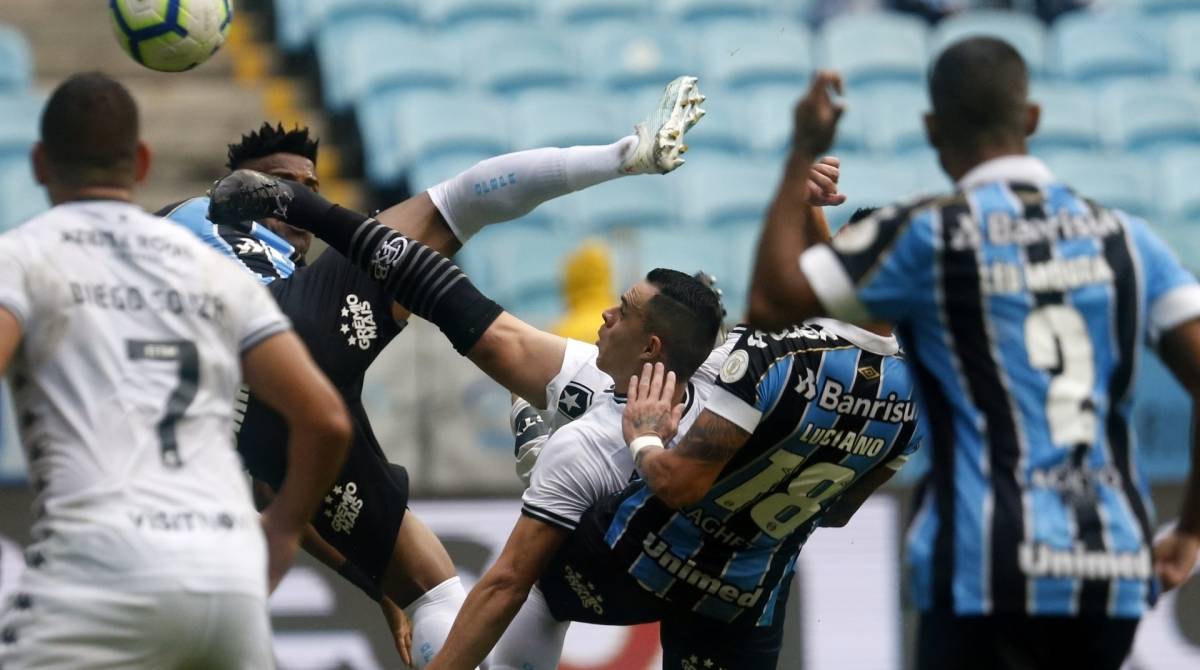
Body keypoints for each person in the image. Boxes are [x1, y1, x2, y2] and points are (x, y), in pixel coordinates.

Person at [191, 76, 709, 666]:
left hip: (237, 415)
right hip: (666, 574)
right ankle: (625, 158)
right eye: (282, 185)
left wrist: (381, 584)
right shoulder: (717, 400)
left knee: (454, 587)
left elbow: (278, 485)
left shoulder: (171, 236)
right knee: (444, 591)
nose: (609, 314)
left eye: (309, 186)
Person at [746, 38, 1200, 669]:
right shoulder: (1127, 238)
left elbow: (771, 304)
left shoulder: (930, 231)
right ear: (1032, 117)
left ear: (933, 128)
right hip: (1109, 567)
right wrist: (1190, 530)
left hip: (984, 567)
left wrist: (801, 152)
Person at [0, 73, 351, 668]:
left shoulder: (23, 257)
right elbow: (325, 421)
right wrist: (283, 530)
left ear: (39, 163)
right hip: (228, 571)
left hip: (100, 567)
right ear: (141, 162)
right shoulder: (209, 264)